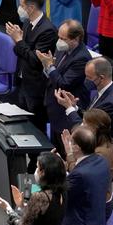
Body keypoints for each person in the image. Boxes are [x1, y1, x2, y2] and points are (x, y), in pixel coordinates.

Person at [59, 127, 108, 225]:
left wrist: (57, 169)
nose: (69, 143)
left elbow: (61, 197)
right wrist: (69, 154)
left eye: (72, 141)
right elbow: (80, 175)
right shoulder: (100, 161)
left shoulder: (78, 175)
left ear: (77, 147)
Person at [5, 0, 58, 134]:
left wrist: (19, 40)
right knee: (23, 127)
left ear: (31, 7)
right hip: (23, 81)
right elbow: (19, 51)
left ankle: (36, 158)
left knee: (35, 129)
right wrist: (18, 41)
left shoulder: (48, 30)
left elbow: (36, 60)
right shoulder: (28, 22)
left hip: (36, 88)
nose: (19, 8)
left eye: (21, 5)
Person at [37, 19, 91, 152]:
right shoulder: (62, 48)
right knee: (55, 148)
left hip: (66, 115)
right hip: (54, 107)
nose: (59, 41)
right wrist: (46, 66)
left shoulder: (82, 58)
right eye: (59, 37)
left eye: (63, 38)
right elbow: (53, 72)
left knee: (65, 151)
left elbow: (64, 83)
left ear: (76, 39)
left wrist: (49, 66)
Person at [56, 57, 113, 155]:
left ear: (101, 78)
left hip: (101, 158)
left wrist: (69, 108)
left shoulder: (111, 103)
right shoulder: (103, 92)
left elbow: (86, 130)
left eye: (89, 78)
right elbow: (90, 116)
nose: (86, 80)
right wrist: (75, 107)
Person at [74, 110, 113, 218]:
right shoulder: (99, 143)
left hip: (99, 207)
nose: (81, 125)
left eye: (84, 123)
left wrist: (70, 154)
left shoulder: (101, 154)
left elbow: (80, 175)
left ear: (94, 128)